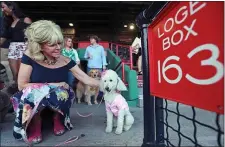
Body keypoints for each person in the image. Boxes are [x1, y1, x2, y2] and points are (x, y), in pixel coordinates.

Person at [10, 20, 100, 144]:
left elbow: (85, 78)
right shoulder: (30, 56)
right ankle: (36, 123)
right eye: (52, 45)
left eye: (59, 43)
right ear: (39, 45)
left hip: (57, 98)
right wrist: (55, 85)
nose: (58, 48)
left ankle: (57, 118)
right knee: (30, 92)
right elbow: (22, 85)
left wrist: (107, 83)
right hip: (37, 99)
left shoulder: (65, 60)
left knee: (63, 91)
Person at [0, 1, 32, 90]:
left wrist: (28, 49)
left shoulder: (25, 19)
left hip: (24, 47)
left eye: (3, 7)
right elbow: (3, 38)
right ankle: (17, 97)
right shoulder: (9, 22)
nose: (2, 10)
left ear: (11, 7)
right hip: (13, 48)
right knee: (15, 76)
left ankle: (25, 95)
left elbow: (32, 36)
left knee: (22, 75)